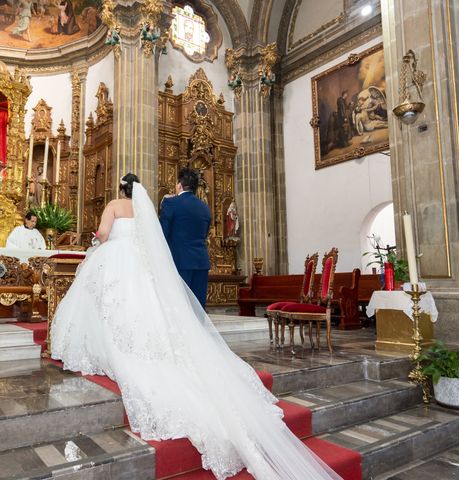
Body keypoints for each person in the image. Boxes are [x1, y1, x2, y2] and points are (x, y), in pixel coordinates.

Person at [50, 174, 341, 480]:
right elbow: (160, 237)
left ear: (121, 188)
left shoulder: (135, 205)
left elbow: (107, 234)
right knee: (180, 314)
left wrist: (94, 243)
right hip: (181, 259)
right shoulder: (198, 208)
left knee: (111, 305)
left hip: (136, 259)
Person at [159, 168, 211, 309]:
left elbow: (162, 233)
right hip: (201, 262)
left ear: (179, 184)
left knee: (179, 307)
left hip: (180, 261)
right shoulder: (205, 208)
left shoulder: (171, 203)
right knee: (198, 309)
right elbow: (205, 234)